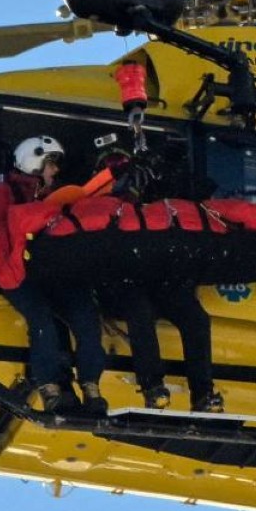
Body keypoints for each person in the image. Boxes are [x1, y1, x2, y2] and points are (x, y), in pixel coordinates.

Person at [0, 135, 108, 416]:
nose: (55, 171)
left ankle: (91, 386)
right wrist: (9, 266)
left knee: (86, 319)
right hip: (19, 276)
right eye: (51, 164)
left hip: (53, 273)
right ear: (33, 163)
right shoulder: (3, 193)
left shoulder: (55, 196)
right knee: (42, 323)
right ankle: (50, 388)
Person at [94, 149, 224, 413]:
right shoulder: (98, 204)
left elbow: (194, 200)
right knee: (140, 312)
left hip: (160, 279)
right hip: (121, 282)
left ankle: (203, 392)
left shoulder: (160, 200)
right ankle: (152, 386)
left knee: (196, 318)